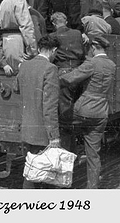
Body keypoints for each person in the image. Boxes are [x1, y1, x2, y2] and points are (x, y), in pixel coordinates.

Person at [59, 36, 116, 189]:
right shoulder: (111, 65)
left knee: (62, 127)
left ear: (93, 47)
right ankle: (92, 188)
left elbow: (69, 79)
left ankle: (63, 178)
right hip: (101, 113)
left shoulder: (91, 63)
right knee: (93, 154)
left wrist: (53, 78)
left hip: (84, 109)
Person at [14, 35, 62, 189]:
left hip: (28, 128)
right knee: (41, 173)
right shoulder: (50, 69)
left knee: (32, 168)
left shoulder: (25, 65)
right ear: (53, 50)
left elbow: (15, 87)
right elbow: (50, 106)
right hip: (42, 131)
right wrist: (54, 136)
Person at [49, 12, 86, 148]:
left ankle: (68, 148)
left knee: (64, 112)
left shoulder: (53, 36)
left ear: (54, 23)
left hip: (63, 72)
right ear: (65, 21)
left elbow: (51, 56)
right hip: (78, 71)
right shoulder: (77, 33)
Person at [0, 0, 38, 73]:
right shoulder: (20, 1)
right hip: (19, 42)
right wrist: (32, 50)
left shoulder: (3, 2)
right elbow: (26, 27)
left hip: (6, 42)